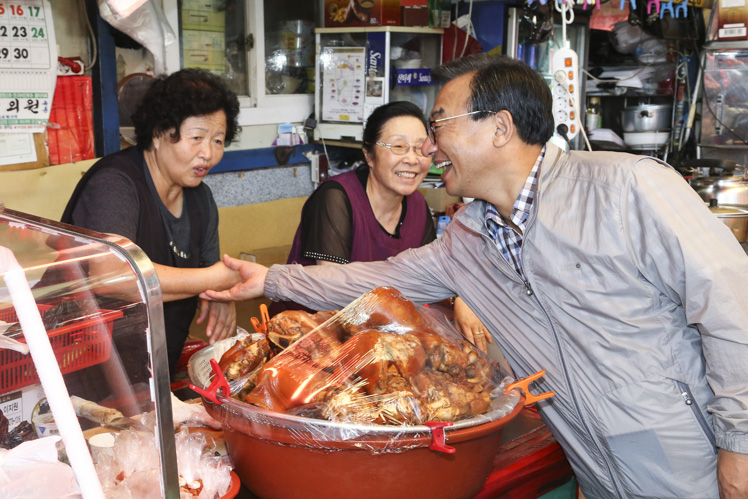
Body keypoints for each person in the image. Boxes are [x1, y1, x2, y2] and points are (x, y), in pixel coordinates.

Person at [202, 54, 748, 498]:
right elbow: (371, 280)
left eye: (438, 124)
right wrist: (271, 280)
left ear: (501, 128)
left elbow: (731, 305)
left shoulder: (626, 188)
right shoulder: (468, 236)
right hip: (597, 473)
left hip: (692, 464)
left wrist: (739, 445)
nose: (430, 146)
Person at [62, 68, 242, 380]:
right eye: (197, 138)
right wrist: (214, 280)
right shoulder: (115, 184)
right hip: (82, 370)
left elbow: (208, 277)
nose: (208, 154)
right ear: (159, 133)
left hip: (151, 373)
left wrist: (220, 294)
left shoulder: (201, 200)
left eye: (218, 140)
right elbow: (112, 278)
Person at [272, 100, 489, 350]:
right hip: (306, 340)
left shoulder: (417, 205)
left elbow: (432, 274)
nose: (411, 159)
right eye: (398, 146)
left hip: (378, 338)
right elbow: (332, 295)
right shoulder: (335, 198)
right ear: (369, 156)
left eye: (420, 149)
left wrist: (461, 296)